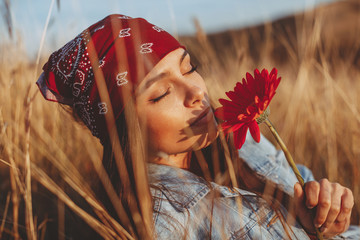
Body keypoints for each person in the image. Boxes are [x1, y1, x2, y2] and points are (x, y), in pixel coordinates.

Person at [36, 14, 360, 239]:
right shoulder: (162, 224)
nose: (197, 92)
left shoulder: (239, 136)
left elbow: (302, 185)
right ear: (122, 128)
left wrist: (324, 212)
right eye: (161, 92)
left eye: (188, 67)